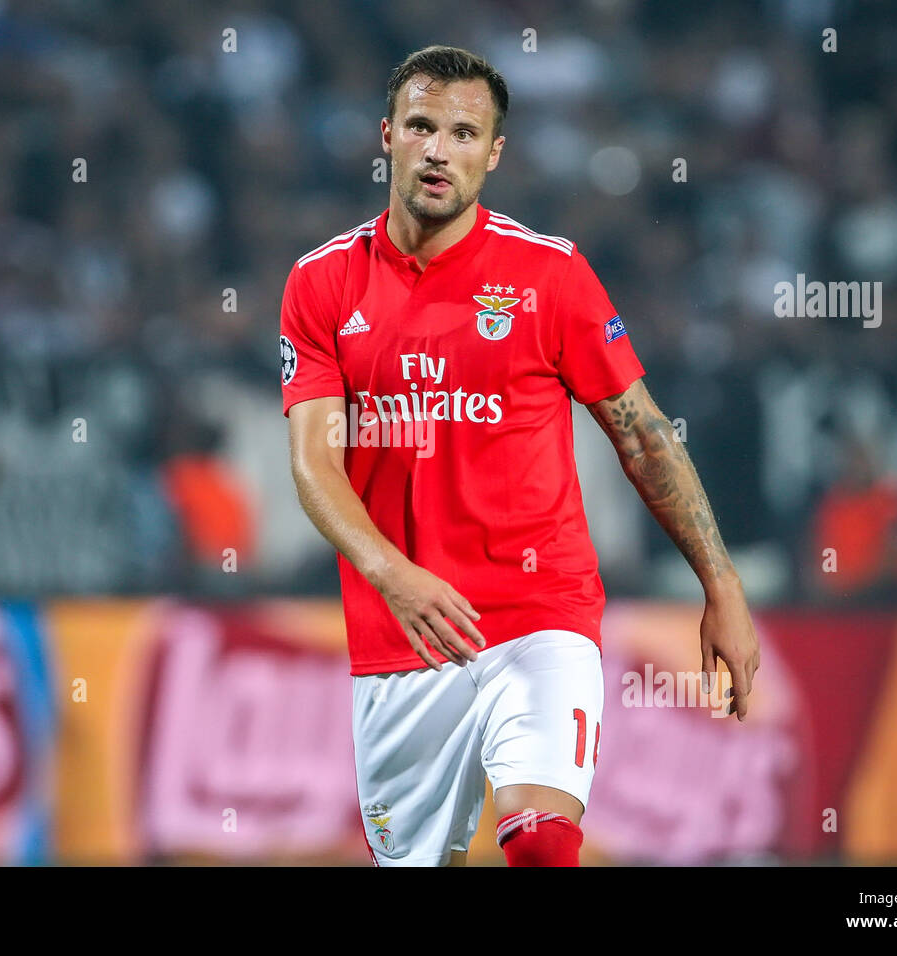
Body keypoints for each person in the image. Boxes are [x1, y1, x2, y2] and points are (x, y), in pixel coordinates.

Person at [280, 45, 759, 867]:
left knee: (541, 841)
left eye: (464, 133)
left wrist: (722, 586)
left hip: (541, 613)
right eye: (422, 126)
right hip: (403, 635)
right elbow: (314, 464)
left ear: (493, 154)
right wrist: (394, 575)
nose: (439, 150)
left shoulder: (550, 275)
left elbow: (643, 435)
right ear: (386, 135)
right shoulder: (321, 284)